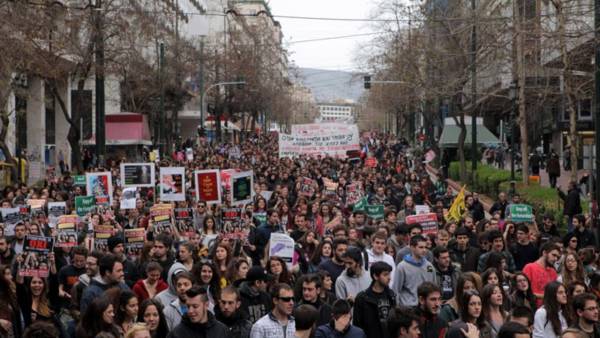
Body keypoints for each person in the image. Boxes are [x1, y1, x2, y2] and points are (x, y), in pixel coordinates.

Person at [353, 261, 396, 338]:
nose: (389, 277)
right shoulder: (362, 298)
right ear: (375, 276)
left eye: (389, 274)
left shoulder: (391, 295)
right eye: (385, 274)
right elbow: (357, 326)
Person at [392, 234, 436, 306]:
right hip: (408, 308)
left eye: (425, 247)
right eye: (421, 247)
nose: (424, 250)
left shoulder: (429, 266)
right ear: (412, 247)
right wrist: (397, 308)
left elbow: (434, 286)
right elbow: (396, 290)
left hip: (426, 307)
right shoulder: (402, 267)